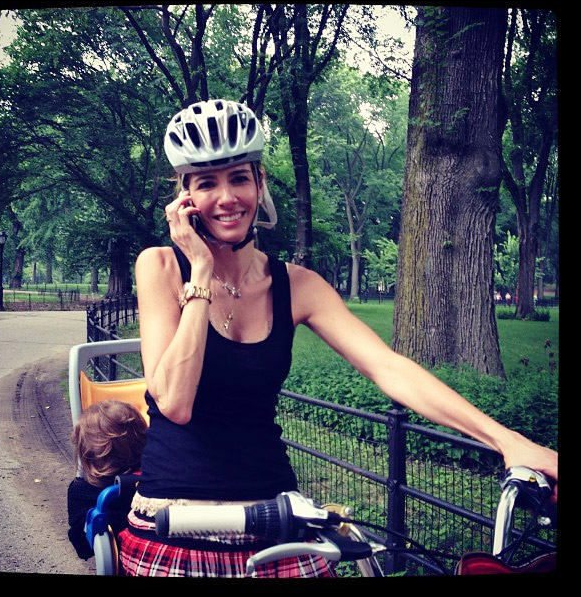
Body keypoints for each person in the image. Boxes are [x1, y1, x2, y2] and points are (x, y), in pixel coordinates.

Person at [120, 99, 558, 578]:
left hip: (276, 517)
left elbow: (387, 367)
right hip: (173, 522)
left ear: (260, 183)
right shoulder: (160, 267)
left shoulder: (298, 286)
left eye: (239, 178)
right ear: (184, 200)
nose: (226, 197)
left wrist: (506, 440)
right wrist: (200, 272)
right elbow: (174, 403)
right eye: (206, 183)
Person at [67, 399, 147, 561]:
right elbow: (82, 545)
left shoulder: (81, 491)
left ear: (86, 455)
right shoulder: (152, 482)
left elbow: (83, 548)